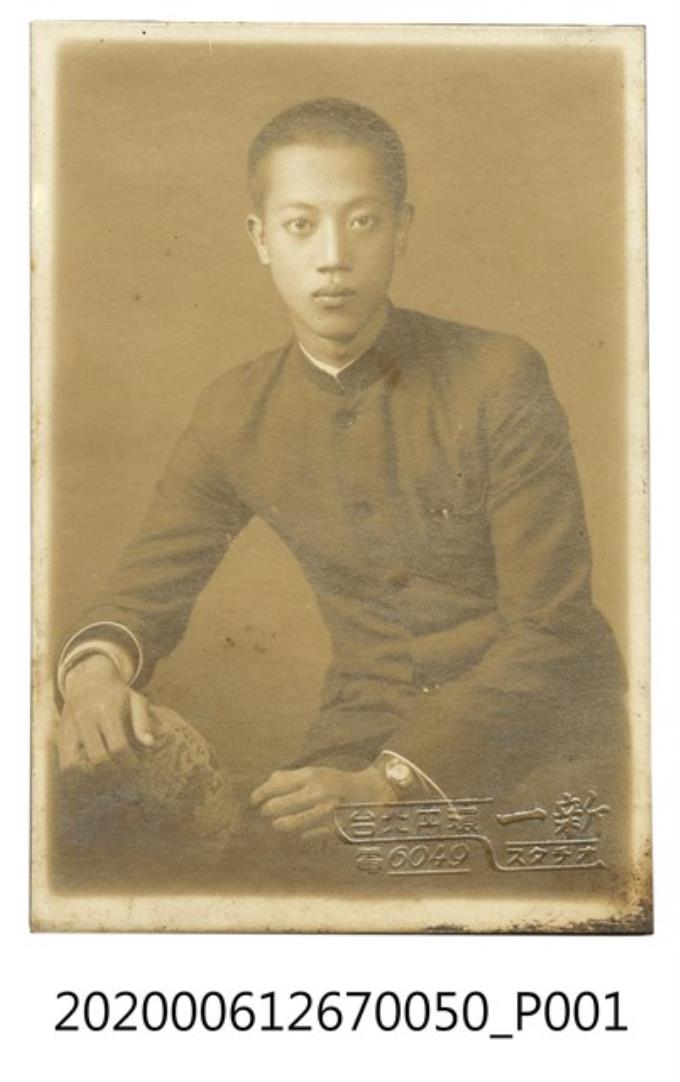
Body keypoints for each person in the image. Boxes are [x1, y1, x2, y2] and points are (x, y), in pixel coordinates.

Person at [55, 98, 627, 859]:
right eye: (301, 225)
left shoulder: (498, 376)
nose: (333, 256)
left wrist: (390, 782)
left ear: (402, 230)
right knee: (258, 878)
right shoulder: (237, 409)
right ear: (260, 238)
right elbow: (145, 585)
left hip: (542, 741)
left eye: (362, 222)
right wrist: (93, 676)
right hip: (360, 731)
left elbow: (549, 629)